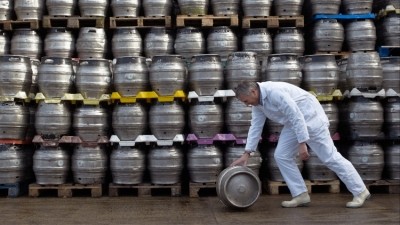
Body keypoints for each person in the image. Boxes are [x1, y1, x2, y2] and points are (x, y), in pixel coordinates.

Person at [230, 81, 370, 208]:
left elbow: (296, 115)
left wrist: (302, 143)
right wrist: (247, 153)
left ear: (254, 92)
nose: (246, 104)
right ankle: (300, 194)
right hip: (294, 123)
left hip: (311, 117)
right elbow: (256, 126)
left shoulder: (275, 92)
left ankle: (360, 191)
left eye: (246, 101)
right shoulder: (257, 103)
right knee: (282, 155)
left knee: (330, 157)